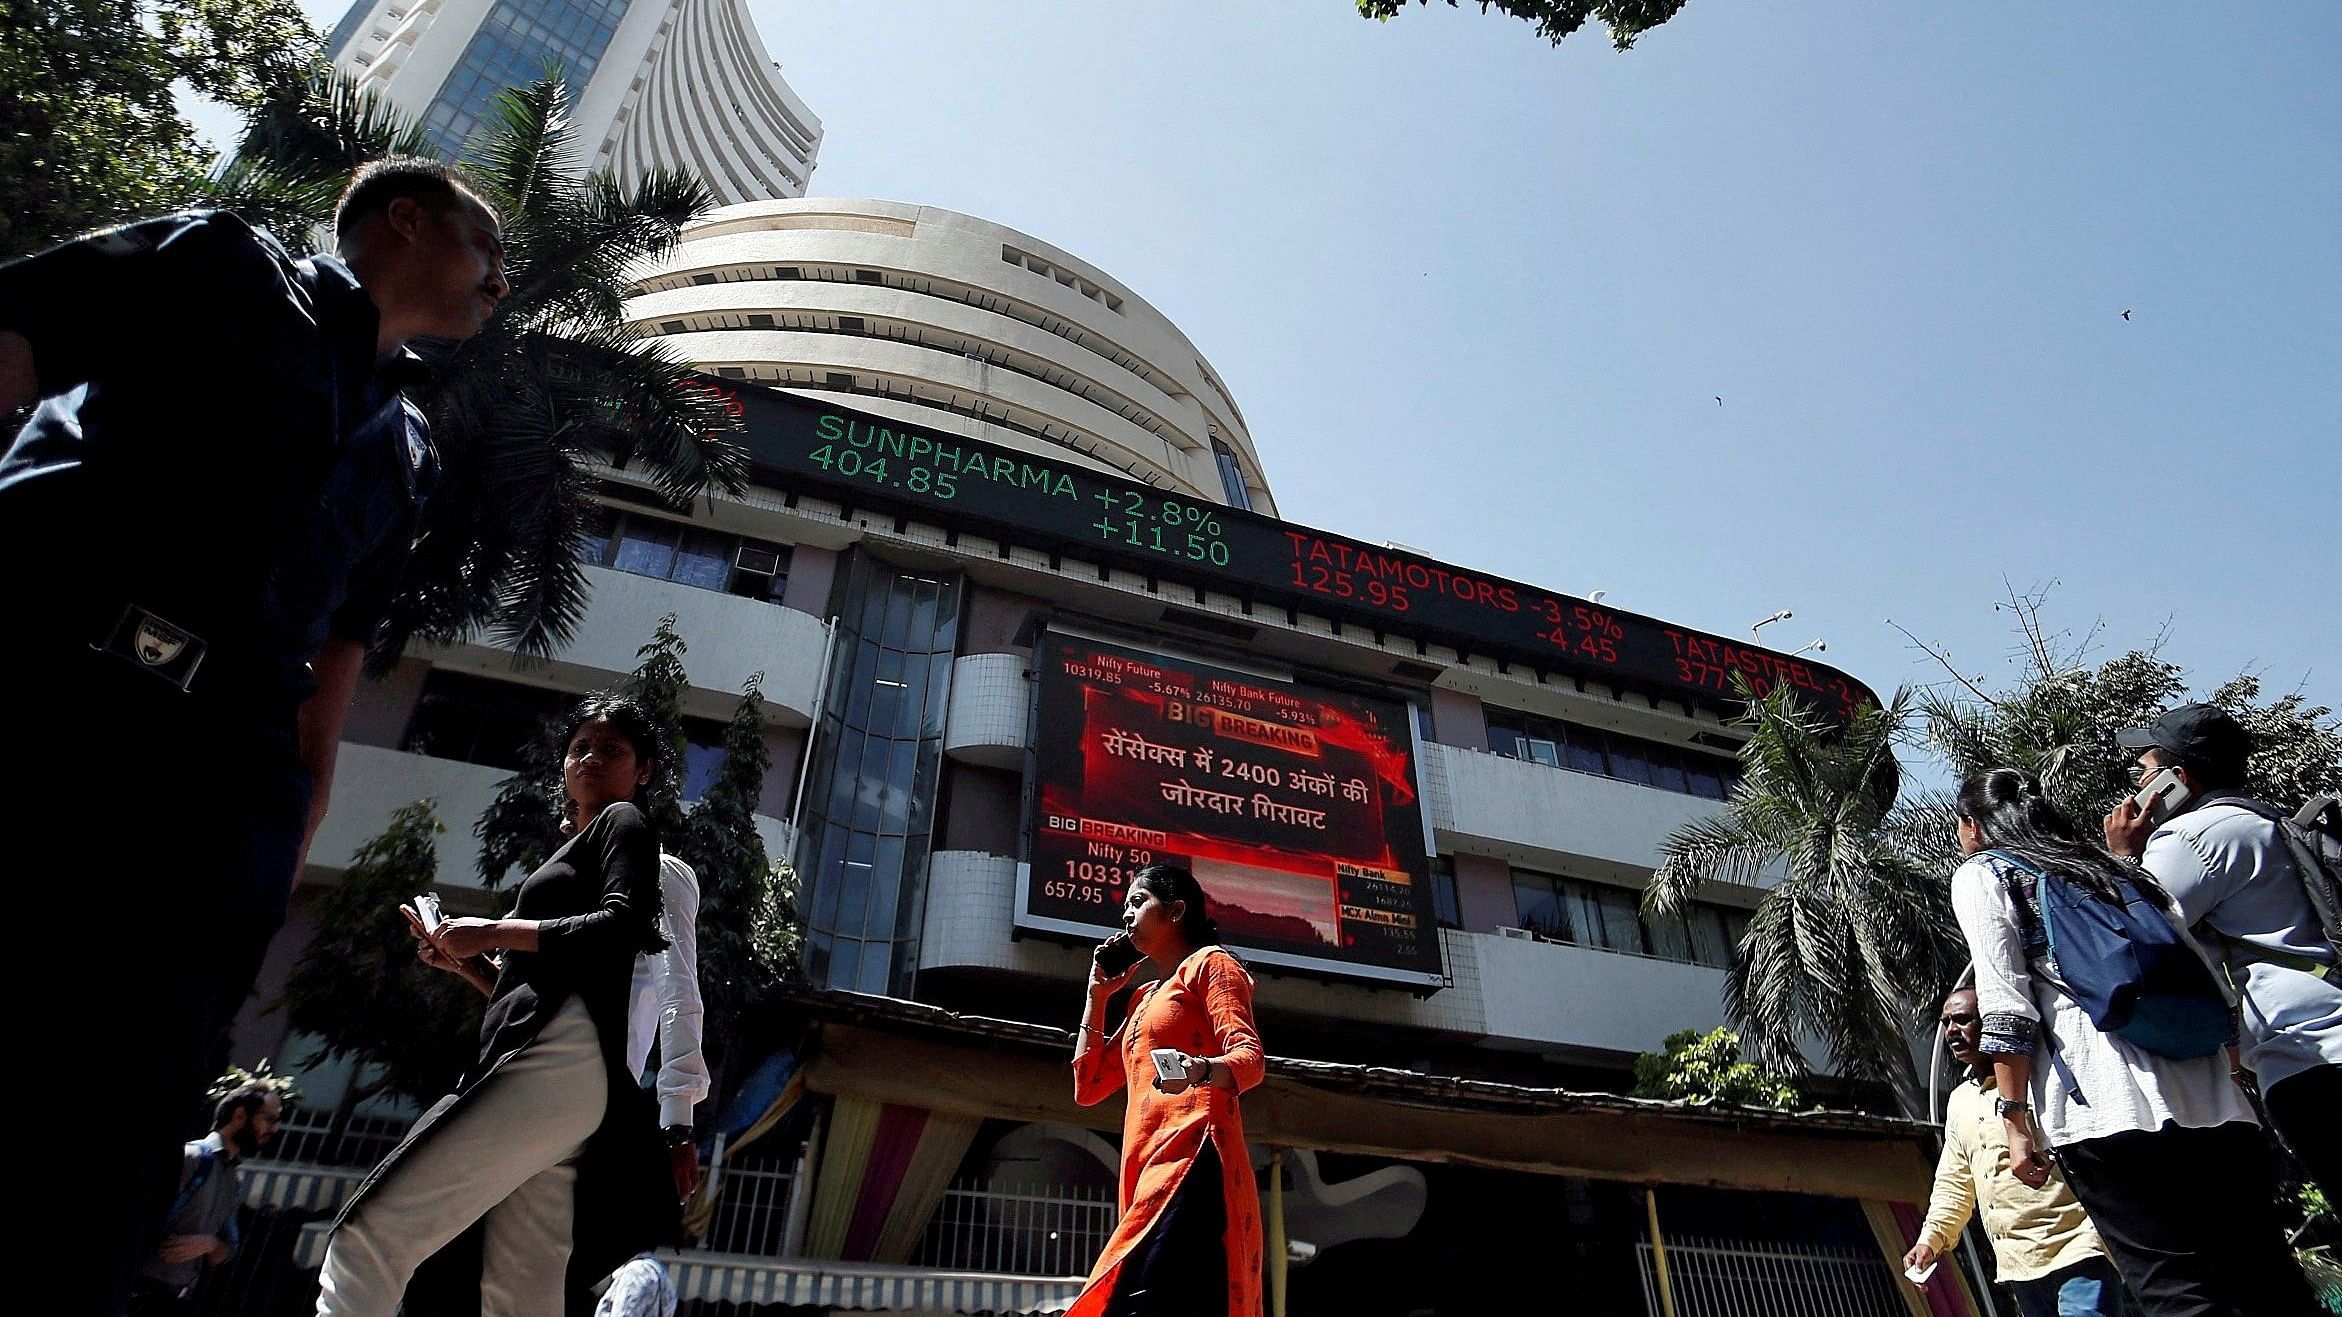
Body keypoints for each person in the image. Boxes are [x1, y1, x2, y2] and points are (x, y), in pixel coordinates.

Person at [0, 158, 506, 1313]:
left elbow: (339, 650)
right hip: (67, 700)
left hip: (226, 784)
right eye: (484, 247)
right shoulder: (224, 262)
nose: (497, 282)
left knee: (131, 1097)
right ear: (406, 220)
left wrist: (296, 815)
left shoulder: (411, 447)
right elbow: (19, 327)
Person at [316, 692, 675, 1317]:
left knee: (368, 1238)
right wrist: (470, 964)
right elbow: (544, 986)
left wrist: (489, 931)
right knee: (521, 1290)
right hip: (566, 1079)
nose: (590, 758)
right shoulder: (585, 844)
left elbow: (623, 926)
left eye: (612, 749)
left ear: (643, 771)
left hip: (554, 1064)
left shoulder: (625, 822)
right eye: (579, 747)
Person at [1949, 767, 2317, 1317]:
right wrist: (2238, 1076)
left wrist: (2017, 1119)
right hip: (2211, 1095)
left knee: (2172, 1286)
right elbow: (2206, 975)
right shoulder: (2116, 872)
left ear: (1974, 827)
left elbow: (2005, 1005)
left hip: (2103, 1108)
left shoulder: (1984, 872)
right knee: (2265, 1279)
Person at [2103, 704, 2341, 1197]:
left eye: (2142, 772)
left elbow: (2129, 931)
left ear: (2177, 778)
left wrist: (2123, 856)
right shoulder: (2266, 822)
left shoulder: (2193, 836)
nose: (2134, 786)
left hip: (2309, 1060)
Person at [1070, 864, 1267, 1317]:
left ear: (1177, 910)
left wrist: (1198, 1070)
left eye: (1138, 902)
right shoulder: (1143, 998)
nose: (1126, 915)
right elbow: (1089, 1085)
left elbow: (1250, 1059)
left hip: (1194, 1155)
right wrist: (1097, 996)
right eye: (1125, 907)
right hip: (1145, 1169)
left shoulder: (1211, 965)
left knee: (1147, 1301)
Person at [1906, 987, 2123, 1317]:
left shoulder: (2040, 1078)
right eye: (1946, 1022)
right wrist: (1930, 1241)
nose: (1951, 1031)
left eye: (1963, 1020)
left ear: (1992, 1021)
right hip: (2018, 1267)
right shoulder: (1960, 1101)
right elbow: (1954, 1183)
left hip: (2077, 1249)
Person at [128, 1083, 285, 1314]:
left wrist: (210, 1243)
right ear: (240, 1115)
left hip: (173, 1298)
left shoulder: (232, 1180)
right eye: (269, 1119)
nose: (274, 1128)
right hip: (136, 1292)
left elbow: (227, 1250)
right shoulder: (190, 1158)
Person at [628, 851, 711, 1204]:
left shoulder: (653, 870)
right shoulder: (565, 887)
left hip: (585, 1102)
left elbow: (678, 992)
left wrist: (677, 1126)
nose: (566, 822)